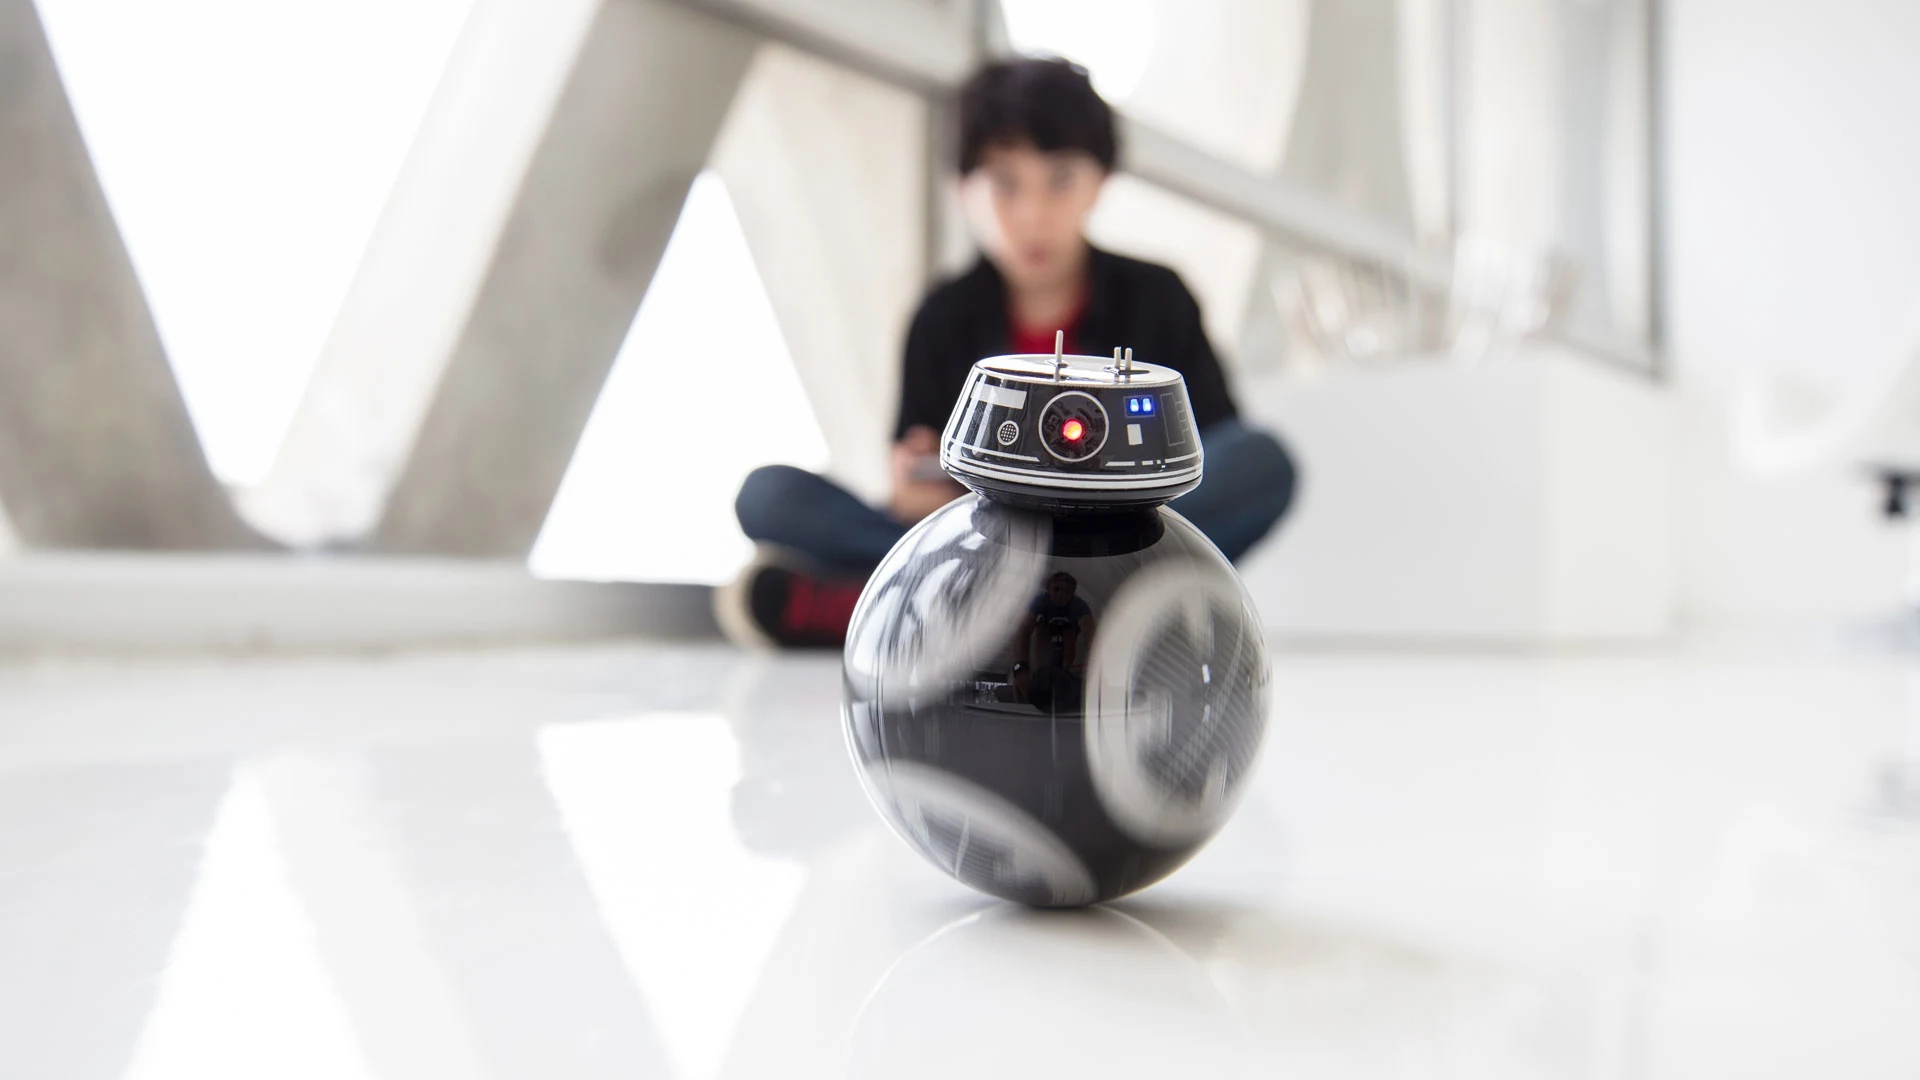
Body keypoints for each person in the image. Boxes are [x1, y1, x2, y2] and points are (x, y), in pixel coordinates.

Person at [717, 56, 1296, 649]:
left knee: (1262, 462)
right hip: (988, 541)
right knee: (769, 496)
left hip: (1121, 540)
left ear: (1101, 180)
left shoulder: (1157, 298)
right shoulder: (942, 317)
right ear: (963, 188)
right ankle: (1069, 613)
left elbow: (1213, 456)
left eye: (1061, 180)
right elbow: (918, 482)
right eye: (1005, 184)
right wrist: (921, 485)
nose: (1032, 214)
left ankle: (912, 608)